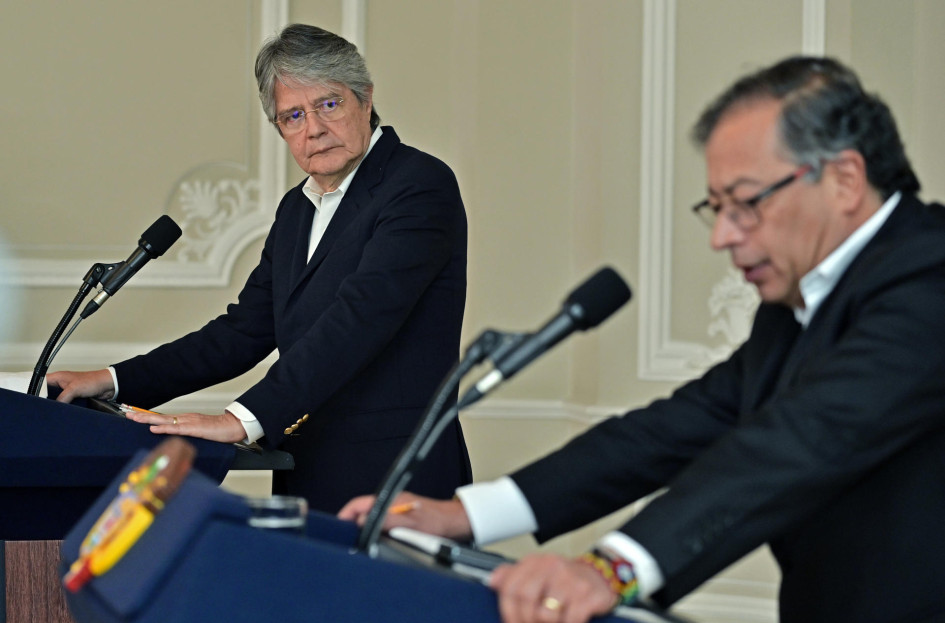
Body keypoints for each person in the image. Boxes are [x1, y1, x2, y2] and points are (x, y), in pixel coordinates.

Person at [340, 56, 945, 623]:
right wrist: (468, 514)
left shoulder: (931, 279)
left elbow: (800, 440)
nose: (723, 237)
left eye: (744, 204)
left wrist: (612, 569)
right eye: (715, 208)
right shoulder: (798, 303)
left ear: (843, 179)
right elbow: (675, 428)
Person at [47, 23, 472, 514]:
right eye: (293, 116)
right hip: (309, 477)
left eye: (328, 104)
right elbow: (244, 330)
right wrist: (114, 379)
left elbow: (358, 320)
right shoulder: (298, 207)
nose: (313, 128)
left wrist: (241, 419)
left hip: (400, 483)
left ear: (365, 97)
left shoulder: (418, 185)